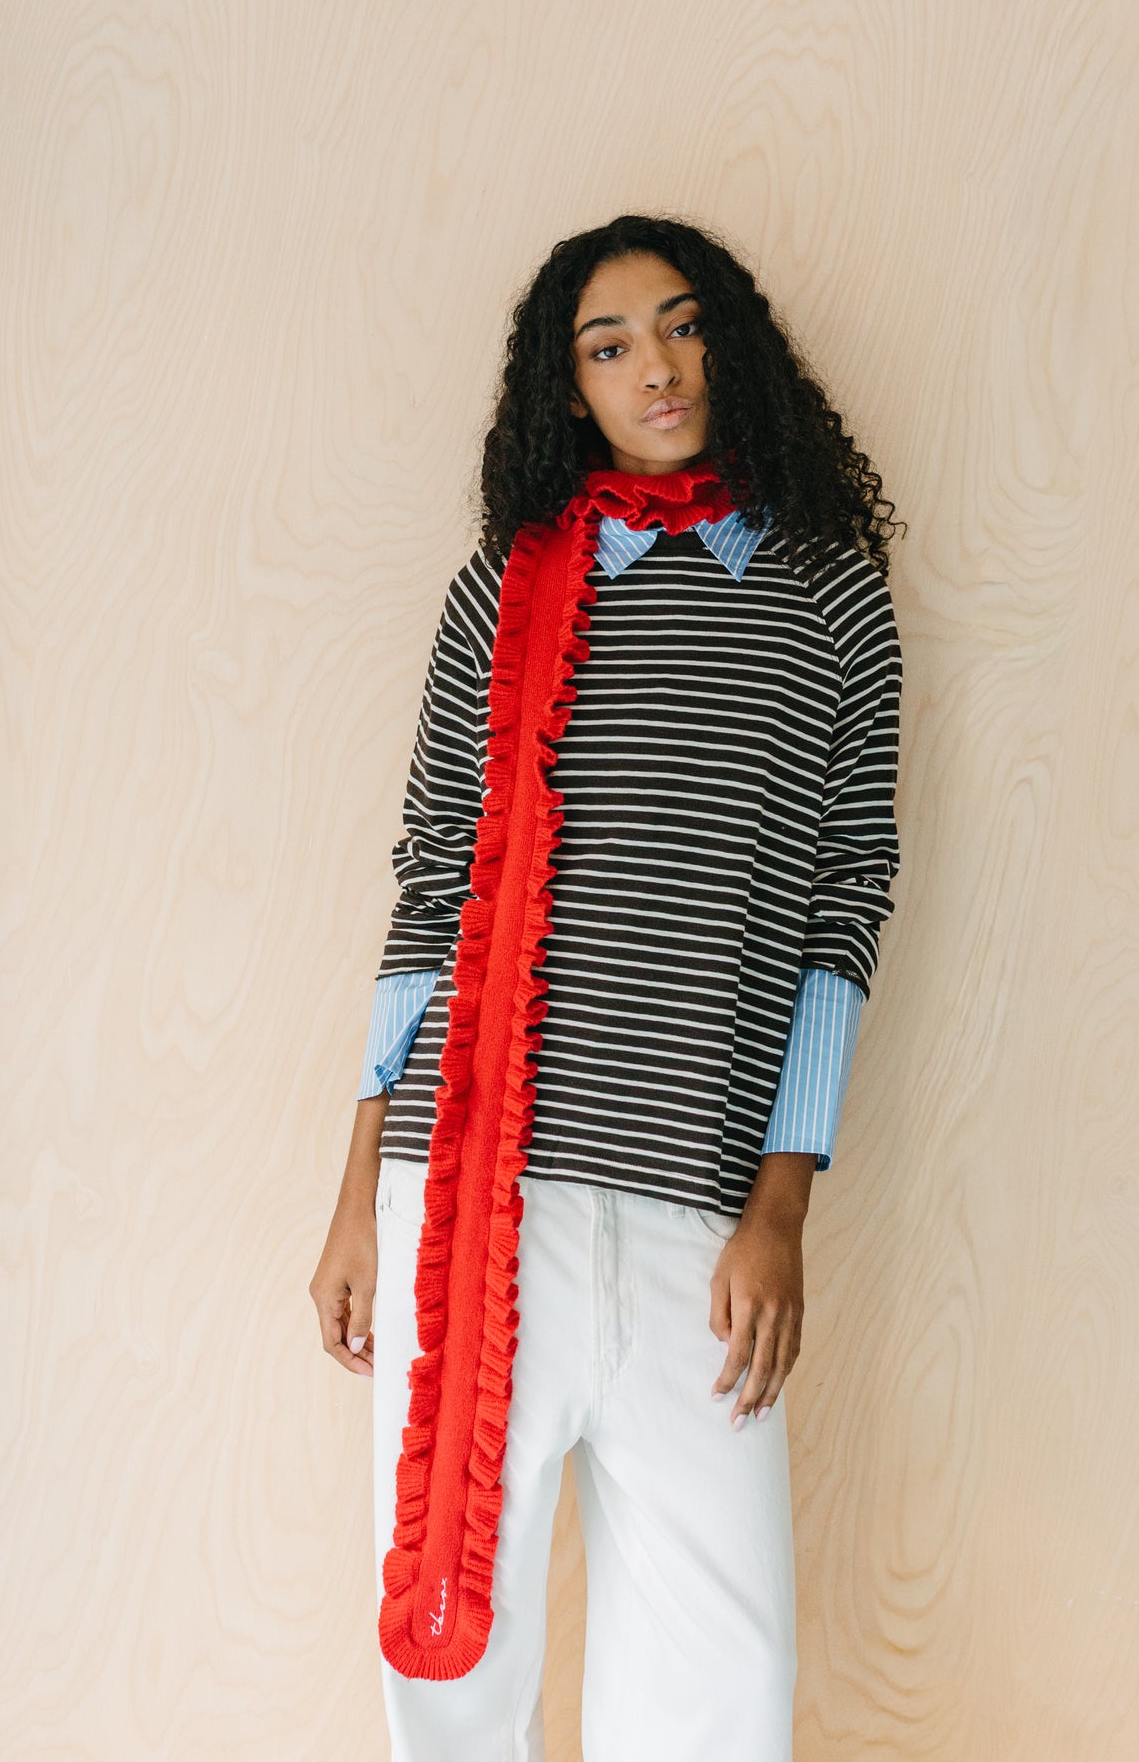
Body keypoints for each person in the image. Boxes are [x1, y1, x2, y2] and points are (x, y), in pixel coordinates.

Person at [309, 211, 905, 1761]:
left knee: (721, 1673)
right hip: (472, 1193)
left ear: (734, 345)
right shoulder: (502, 593)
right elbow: (434, 885)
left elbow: (844, 906)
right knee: (453, 1660)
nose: (659, 367)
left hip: (700, 1207)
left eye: (686, 325)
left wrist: (783, 1205)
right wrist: (359, 1188)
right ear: (567, 388)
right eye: (611, 344)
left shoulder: (831, 595)